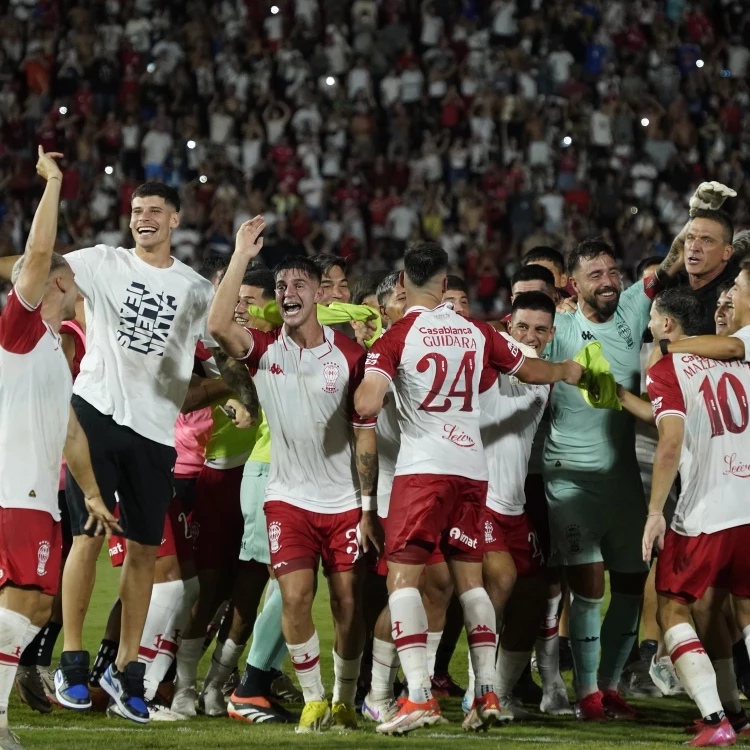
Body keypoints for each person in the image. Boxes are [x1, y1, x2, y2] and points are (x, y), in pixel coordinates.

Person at [354, 241, 584, 735]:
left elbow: (369, 403)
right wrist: (566, 370)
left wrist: (364, 383)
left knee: (403, 580)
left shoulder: (397, 335)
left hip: (424, 469)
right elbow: (530, 369)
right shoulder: (479, 332)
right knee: (471, 580)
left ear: (401, 284)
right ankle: (487, 692)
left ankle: (417, 697)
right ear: (444, 284)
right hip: (471, 470)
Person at [49, 182, 216, 724]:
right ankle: (72, 663)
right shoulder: (102, 262)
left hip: (155, 432)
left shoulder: (193, 287)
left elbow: (210, 346)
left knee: (145, 552)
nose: (143, 218)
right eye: (136, 211)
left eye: (154, 211)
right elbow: (42, 266)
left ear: (175, 220)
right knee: (88, 537)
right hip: (96, 414)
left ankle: (127, 672)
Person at [209, 218, 384, 733]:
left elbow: (366, 432)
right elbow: (219, 326)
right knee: (294, 598)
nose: (288, 293)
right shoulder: (266, 350)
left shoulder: (350, 355)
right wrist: (241, 254)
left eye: (298, 285)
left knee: (348, 606)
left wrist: (370, 506)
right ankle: (312, 700)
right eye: (282, 286)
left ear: (316, 297)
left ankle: (345, 698)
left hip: (343, 501)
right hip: (287, 498)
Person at [0, 147, 118, 750]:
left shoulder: (51, 349)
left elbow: (71, 431)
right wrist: (53, 183)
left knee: (36, 609)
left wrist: (92, 493)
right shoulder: (17, 330)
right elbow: (41, 253)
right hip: (12, 487)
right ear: (57, 284)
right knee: (25, 602)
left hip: (39, 492)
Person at [542, 239, 676, 721]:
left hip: (622, 478)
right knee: (589, 587)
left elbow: (673, 262)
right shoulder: (557, 325)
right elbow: (517, 346)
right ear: (573, 285)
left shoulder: (633, 309)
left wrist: (695, 217)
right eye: (595, 274)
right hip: (571, 475)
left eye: (612, 271)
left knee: (633, 581)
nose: (607, 280)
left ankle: (610, 685)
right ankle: (586, 695)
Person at [644, 285, 750, 747]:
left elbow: (670, 442)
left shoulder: (667, 366)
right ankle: (733, 712)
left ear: (667, 325)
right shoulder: (741, 362)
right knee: (743, 611)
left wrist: (654, 512)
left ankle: (714, 718)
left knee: (672, 606)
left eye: (652, 319)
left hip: (705, 511)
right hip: (747, 502)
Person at [472, 291, 572, 718]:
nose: (529, 335)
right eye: (522, 327)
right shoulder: (485, 363)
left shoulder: (546, 376)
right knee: (501, 585)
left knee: (533, 597)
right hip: (482, 500)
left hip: (515, 505)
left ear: (550, 335)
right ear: (508, 325)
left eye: (539, 329)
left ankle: (505, 692)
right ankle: (478, 692)